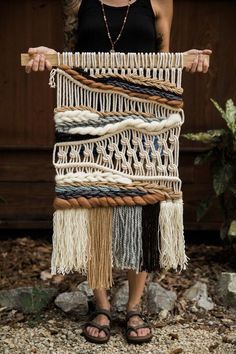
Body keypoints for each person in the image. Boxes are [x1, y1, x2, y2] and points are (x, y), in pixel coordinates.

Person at [25, 0, 212, 345]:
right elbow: (72, 58)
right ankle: (102, 305)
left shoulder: (158, 2)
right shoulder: (80, 2)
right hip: (90, 118)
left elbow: (163, 61)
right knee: (96, 204)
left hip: (145, 121)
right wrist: (47, 57)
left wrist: (190, 59)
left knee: (142, 207)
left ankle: (135, 306)